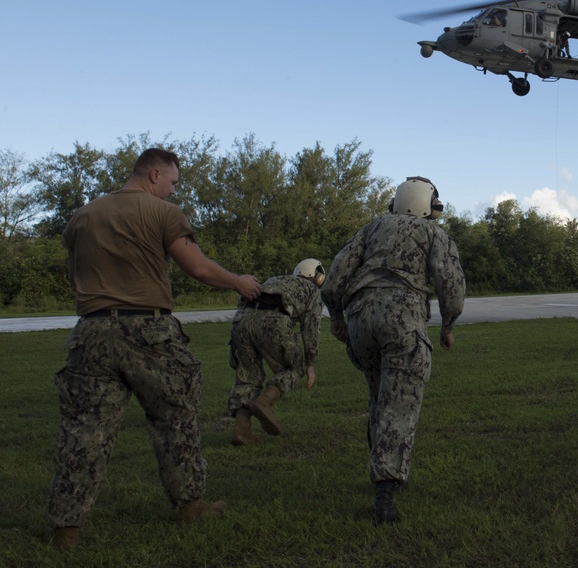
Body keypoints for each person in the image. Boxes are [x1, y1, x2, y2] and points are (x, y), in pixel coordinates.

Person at [47, 148, 262, 549]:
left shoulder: (85, 214)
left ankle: (66, 528)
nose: (172, 190)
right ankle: (189, 506)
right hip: (149, 330)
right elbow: (196, 267)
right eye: (173, 182)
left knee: (84, 431)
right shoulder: (163, 213)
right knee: (174, 418)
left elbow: (74, 275)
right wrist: (238, 281)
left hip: (91, 332)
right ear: (154, 174)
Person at [321, 176, 465, 524]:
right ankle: (385, 490)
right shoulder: (433, 234)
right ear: (428, 207)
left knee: (378, 396)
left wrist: (337, 317)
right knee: (399, 402)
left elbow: (335, 276)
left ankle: (379, 463)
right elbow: (451, 283)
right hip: (401, 317)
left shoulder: (371, 229)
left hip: (360, 318)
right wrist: (448, 325)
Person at [227, 258, 325, 445]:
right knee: (294, 369)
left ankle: (242, 429)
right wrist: (310, 362)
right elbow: (311, 327)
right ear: (318, 276)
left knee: (247, 378)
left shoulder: (274, 279)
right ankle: (264, 402)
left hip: (241, 319)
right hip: (274, 318)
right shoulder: (312, 290)